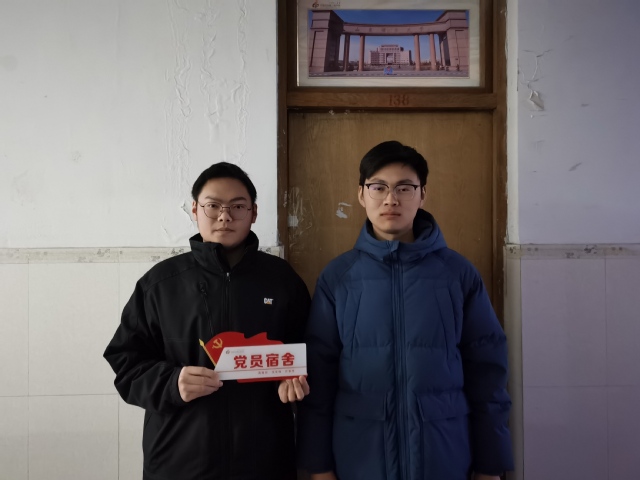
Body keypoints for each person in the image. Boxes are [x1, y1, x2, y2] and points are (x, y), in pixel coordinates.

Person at [297, 141, 513, 480]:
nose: (391, 199)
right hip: (359, 455)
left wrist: (491, 465)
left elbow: (488, 375)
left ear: (422, 194)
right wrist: (318, 466)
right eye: (378, 187)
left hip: (444, 453)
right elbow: (319, 379)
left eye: (404, 188)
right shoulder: (339, 277)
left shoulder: (457, 274)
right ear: (361, 194)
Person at [104, 162, 311, 480]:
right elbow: (126, 364)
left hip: (264, 460)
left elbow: (311, 350)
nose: (224, 216)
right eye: (213, 206)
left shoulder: (282, 280)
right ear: (194, 209)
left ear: (254, 212)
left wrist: (294, 379)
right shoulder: (161, 283)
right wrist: (172, 383)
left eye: (237, 206)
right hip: (179, 462)